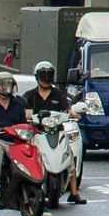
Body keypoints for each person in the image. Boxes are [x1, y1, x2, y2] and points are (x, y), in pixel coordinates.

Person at [28, 65, 85, 203]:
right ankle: (29, 188)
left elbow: (67, 109)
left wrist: (73, 114)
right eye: (43, 75)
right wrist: (28, 117)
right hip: (38, 133)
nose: (46, 79)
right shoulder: (30, 96)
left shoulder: (58, 94)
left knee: (69, 156)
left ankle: (74, 193)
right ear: (37, 77)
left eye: (49, 75)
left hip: (57, 131)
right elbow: (25, 111)